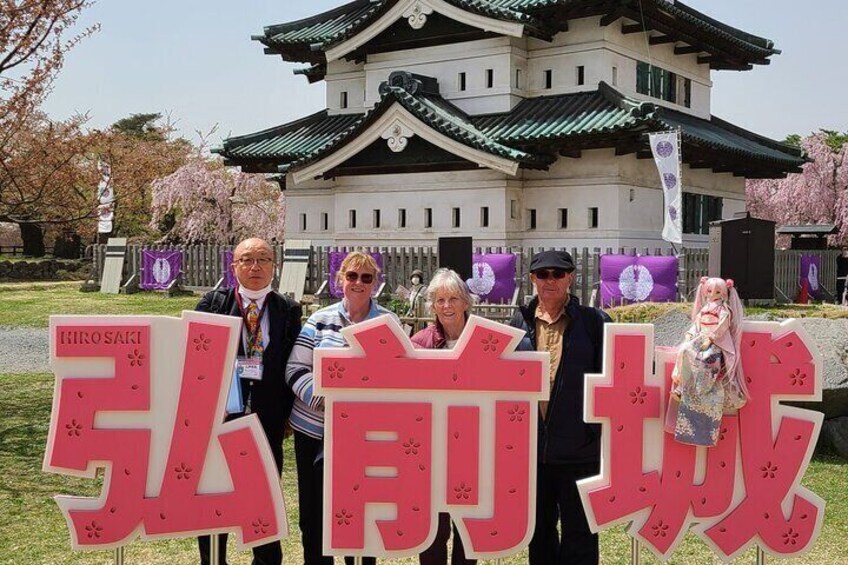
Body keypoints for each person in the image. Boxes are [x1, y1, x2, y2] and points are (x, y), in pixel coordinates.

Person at [196, 237, 303, 565]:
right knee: (215, 492)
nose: (255, 266)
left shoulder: (287, 310)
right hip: (219, 419)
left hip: (268, 422)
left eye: (263, 259)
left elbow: (295, 365)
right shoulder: (213, 304)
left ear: (274, 265)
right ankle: (213, 559)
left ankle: (267, 560)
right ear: (234, 266)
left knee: (264, 496)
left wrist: (289, 416)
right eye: (247, 259)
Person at [286, 251, 396, 565]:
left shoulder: (389, 323)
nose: (358, 283)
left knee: (362, 513)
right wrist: (329, 401)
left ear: (375, 284)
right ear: (340, 280)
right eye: (352, 276)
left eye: (366, 277)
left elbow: (398, 377)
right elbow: (295, 369)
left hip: (367, 437)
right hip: (315, 431)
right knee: (315, 514)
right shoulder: (318, 319)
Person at [509, 250, 609, 565]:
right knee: (539, 535)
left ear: (570, 277)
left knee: (581, 535)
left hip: (580, 452)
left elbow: (614, 376)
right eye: (543, 274)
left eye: (558, 273)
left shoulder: (594, 322)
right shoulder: (519, 322)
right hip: (533, 452)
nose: (550, 280)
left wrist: (593, 434)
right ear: (532, 279)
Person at [409, 268, 477, 565]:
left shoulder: (483, 340)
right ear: (432, 306)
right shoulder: (419, 342)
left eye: (453, 299)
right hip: (432, 449)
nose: (447, 306)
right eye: (439, 300)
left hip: (473, 448)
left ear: (465, 302)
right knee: (432, 528)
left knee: (467, 525)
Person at [669, 277, 747, 446]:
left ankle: (698, 388)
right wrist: (689, 336)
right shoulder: (704, 309)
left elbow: (722, 326)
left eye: (718, 292)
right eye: (710, 291)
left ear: (724, 293)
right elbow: (696, 325)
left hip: (714, 343)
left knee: (707, 361)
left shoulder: (723, 309)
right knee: (684, 351)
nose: (713, 295)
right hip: (700, 339)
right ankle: (681, 384)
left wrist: (711, 337)